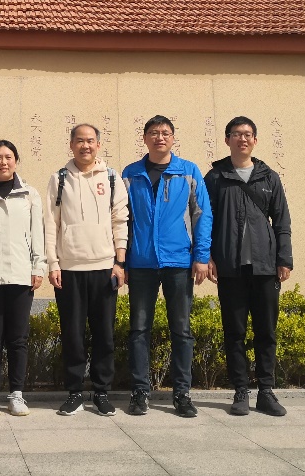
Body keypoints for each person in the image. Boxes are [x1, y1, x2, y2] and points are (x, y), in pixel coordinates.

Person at [121, 115, 211, 418]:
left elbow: (201, 214)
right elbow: (122, 220)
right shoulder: (131, 173)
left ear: (173, 138)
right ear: (145, 138)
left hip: (178, 261)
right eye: (154, 133)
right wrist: (122, 260)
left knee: (181, 330)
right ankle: (140, 392)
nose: (160, 137)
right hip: (141, 262)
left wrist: (201, 256)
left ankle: (182, 394)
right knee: (139, 330)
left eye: (165, 133)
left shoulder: (188, 171)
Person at [205, 116, 293, 418]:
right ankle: (240, 391)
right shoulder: (215, 177)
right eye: (236, 134)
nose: (242, 139)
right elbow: (204, 221)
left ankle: (266, 391)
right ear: (227, 139)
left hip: (265, 266)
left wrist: (284, 259)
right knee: (235, 332)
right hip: (230, 267)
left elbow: (282, 221)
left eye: (248, 134)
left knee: (266, 331)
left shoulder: (269, 177)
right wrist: (207, 257)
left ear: (255, 140)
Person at [44, 124, 128, 417]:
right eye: (79, 141)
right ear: (71, 144)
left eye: (90, 141)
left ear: (98, 145)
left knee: (104, 334)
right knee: (73, 335)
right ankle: (75, 392)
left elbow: (120, 220)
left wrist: (119, 262)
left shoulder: (112, 178)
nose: (85, 146)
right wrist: (53, 263)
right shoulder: (59, 179)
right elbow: (50, 224)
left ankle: (102, 392)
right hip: (69, 269)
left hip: (104, 268)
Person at [0, 140, 46, 418]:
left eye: (8, 157)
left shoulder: (29, 194)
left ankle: (17, 394)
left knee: (18, 339)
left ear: (16, 161)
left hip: (20, 274)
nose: (3, 162)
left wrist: (38, 266)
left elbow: (37, 232)